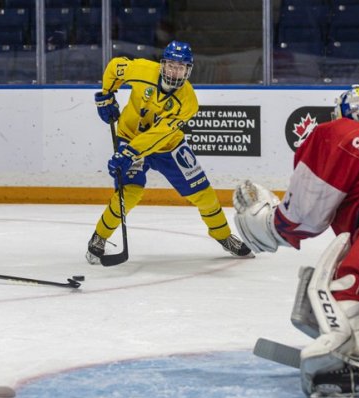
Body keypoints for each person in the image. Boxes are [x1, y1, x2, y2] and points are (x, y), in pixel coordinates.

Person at [233, 85, 359, 398]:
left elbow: (304, 217)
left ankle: (355, 363)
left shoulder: (337, 132)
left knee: (346, 290)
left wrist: (257, 220)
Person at [86, 40, 253, 264]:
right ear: (163, 64)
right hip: (130, 136)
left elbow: (159, 134)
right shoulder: (143, 70)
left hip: (169, 146)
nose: (175, 71)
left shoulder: (188, 102)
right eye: (171, 65)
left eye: (181, 67)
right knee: (129, 194)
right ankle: (99, 237)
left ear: (188, 70)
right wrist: (106, 95)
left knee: (205, 195)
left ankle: (222, 236)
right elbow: (116, 67)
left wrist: (129, 153)